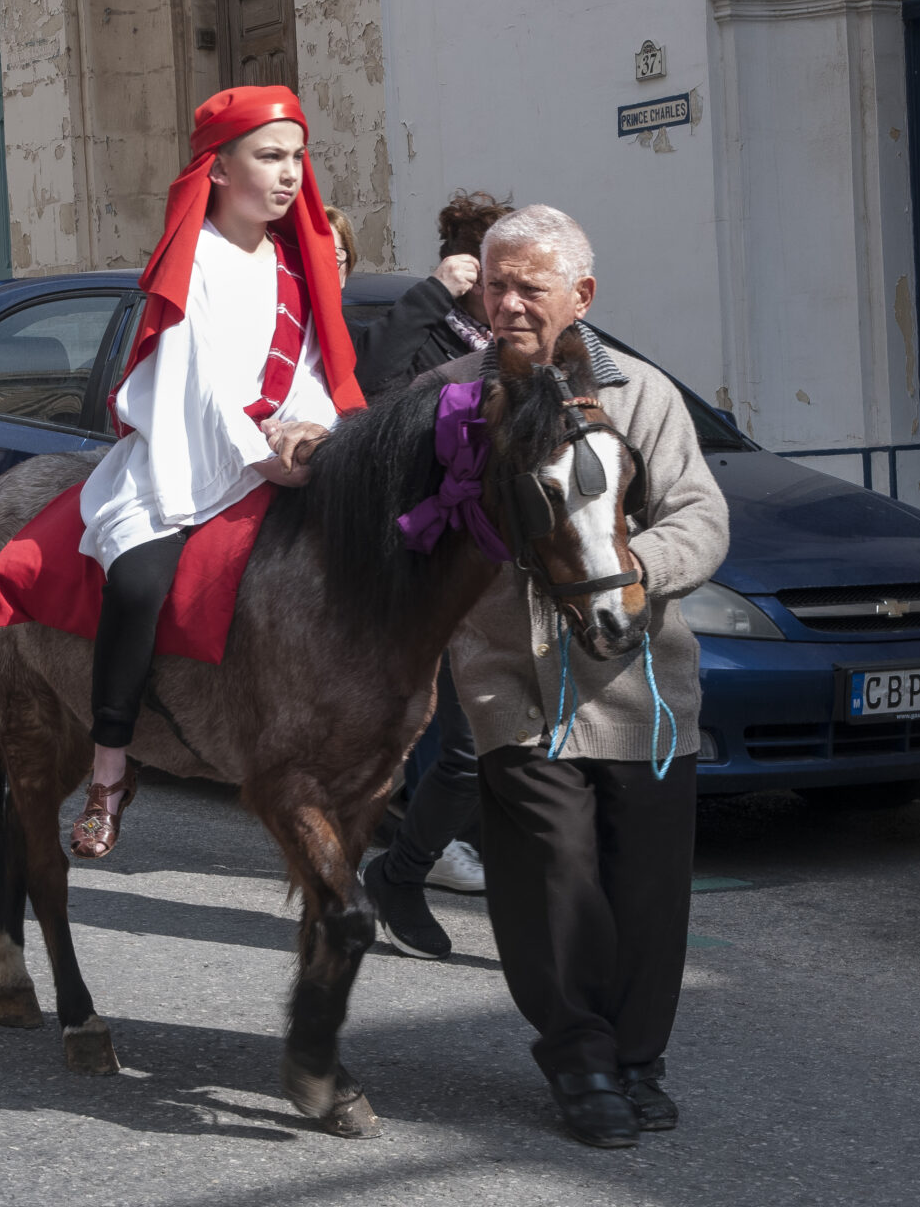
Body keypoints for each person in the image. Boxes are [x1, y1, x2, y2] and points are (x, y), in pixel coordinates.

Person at [424, 204, 728, 1149]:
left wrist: (637, 572)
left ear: (581, 295)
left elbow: (701, 517)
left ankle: (638, 1059)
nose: (507, 303)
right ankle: (581, 1060)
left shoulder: (642, 394)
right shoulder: (448, 398)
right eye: (494, 285)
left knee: (646, 888)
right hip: (513, 682)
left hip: (640, 683)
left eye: (530, 287)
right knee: (552, 874)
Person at [71, 84, 364, 858]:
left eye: (297, 157)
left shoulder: (297, 264)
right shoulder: (193, 257)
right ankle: (110, 767)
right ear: (221, 169)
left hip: (284, 459)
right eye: (270, 156)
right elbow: (194, 382)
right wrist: (262, 453)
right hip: (190, 458)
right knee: (138, 580)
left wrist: (308, 431)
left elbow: (317, 369)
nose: (290, 173)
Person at [343, 191, 515, 958]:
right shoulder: (433, 335)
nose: (509, 294)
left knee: (505, 744)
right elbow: (371, 391)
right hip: (439, 564)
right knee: (466, 744)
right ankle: (404, 869)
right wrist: (431, 295)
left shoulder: (534, 339)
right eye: (494, 275)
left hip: (516, 568)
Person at [349, 189, 504, 396]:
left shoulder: (520, 337)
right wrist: (435, 291)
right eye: (502, 281)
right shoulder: (425, 343)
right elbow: (369, 378)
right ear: (475, 278)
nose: (517, 300)